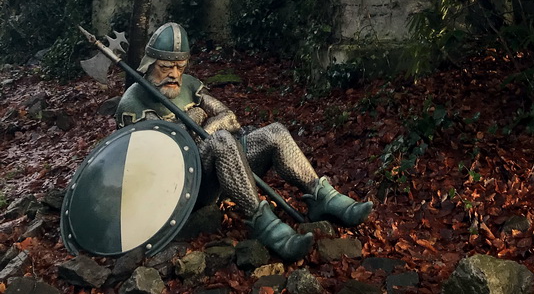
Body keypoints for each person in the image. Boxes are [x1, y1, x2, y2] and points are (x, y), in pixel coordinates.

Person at [115, 22, 372, 262]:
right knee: (222, 141)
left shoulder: (190, 86)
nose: (174, 74)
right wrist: (196, 123)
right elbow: (157, 156)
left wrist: (206, 125)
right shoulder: (134, 102)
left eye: (180, 67)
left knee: (275, 132)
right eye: (166, 67)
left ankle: (321, 197)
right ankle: (263, 224)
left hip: (223, 163)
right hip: (182, 184)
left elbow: (230, 118)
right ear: (150, 63)